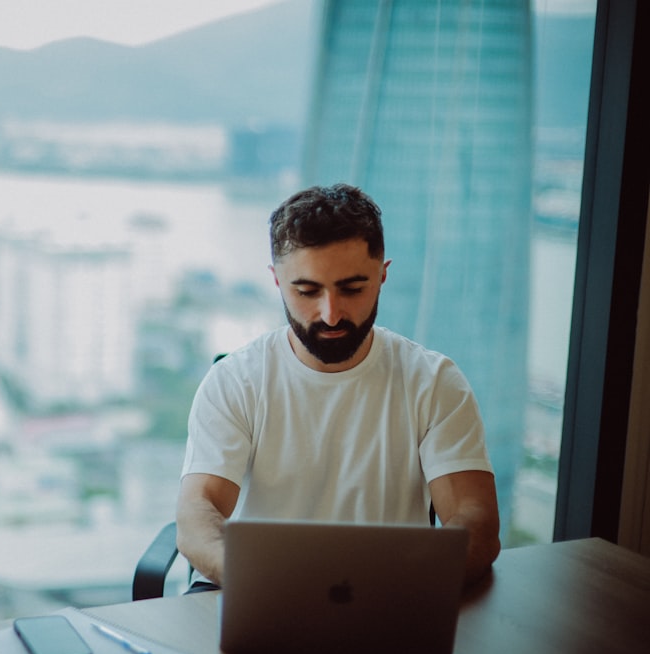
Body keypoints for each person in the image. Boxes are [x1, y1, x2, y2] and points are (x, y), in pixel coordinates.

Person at [176, 183, 501, 591]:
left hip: (393, 591)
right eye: (307, 291)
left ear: (383, 274)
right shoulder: (235, 381)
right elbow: (197, 512)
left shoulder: (433, 382)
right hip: (258, 588)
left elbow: (476, 520)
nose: (330, 315)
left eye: (352, 289)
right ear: (276, 281)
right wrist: (253, 580)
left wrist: (411, 584)